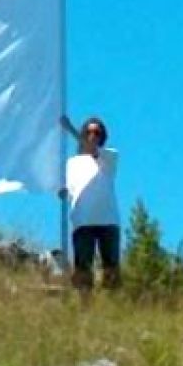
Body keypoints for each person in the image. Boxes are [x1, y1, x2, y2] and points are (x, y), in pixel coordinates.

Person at [60, 114, 120, 291]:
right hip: (82, 220)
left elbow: (92, 149)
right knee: (83, 268)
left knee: (111, 268)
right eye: (88, 132)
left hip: (107, 221)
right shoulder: (70, 163)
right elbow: (68, 189)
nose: (92, 136)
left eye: (97, 132)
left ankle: (113, 306)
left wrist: (69, 128)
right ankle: (85, 307)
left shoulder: (109, 157)